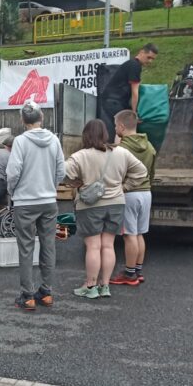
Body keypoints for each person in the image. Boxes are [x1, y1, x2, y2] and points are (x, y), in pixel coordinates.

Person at [63, 120, 147, 299]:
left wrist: (74, 183)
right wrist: (125, 187)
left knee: (93, 247)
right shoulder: (121, 152)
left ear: (86, 135)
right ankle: (105, 286)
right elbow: (141, 172)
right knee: (108, 245)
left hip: (90, 206)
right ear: (105, 134)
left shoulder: (80, 156)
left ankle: (91, 286)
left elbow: (62, 173)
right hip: (116, 203)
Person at [5, 101, 66, 311]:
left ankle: (27, 295)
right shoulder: (54, 140)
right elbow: (61, 170)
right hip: (48, 200)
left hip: (25, 201)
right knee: (48, 245)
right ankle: (46, 292)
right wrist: (51, 187)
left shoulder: (20, 142)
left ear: (22, 120)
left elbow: (13, 172)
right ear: (42, 118)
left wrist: (13, 191)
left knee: (26, 247)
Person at [110, 109, 156, 286]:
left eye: (115, 126)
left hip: (129, 194)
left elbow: (116, 174)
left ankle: (129, 274)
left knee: (129, 235)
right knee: (139, 233)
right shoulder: (149, 146)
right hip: (146, 192)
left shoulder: (121, 149)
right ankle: (137, 270)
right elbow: (151, 172)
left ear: (122, 126)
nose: (115, 129)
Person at [101, 43, 158, 140]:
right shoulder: (135, 66)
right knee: (124, 128)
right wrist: (134, 113)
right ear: (141, 52)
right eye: (149, 57)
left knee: (122, 128)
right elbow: (135, 92)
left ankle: (119, 147)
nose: (150, 61)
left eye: (153, 59)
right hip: (113, 100)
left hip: (113, 100)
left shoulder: (133, 64)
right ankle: (120, 148)